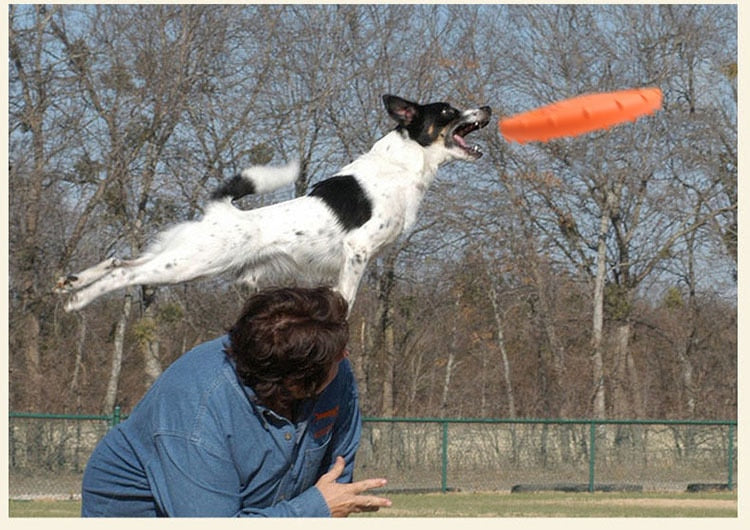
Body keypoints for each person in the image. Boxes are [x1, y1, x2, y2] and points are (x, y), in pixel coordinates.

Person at [81, 287, 391, 517]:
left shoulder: (336, 371)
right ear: (294, 383)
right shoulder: (198, 407)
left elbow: (335, 485)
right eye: (337, 356)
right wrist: (311, 511)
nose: (346, 356)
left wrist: (324, 508)